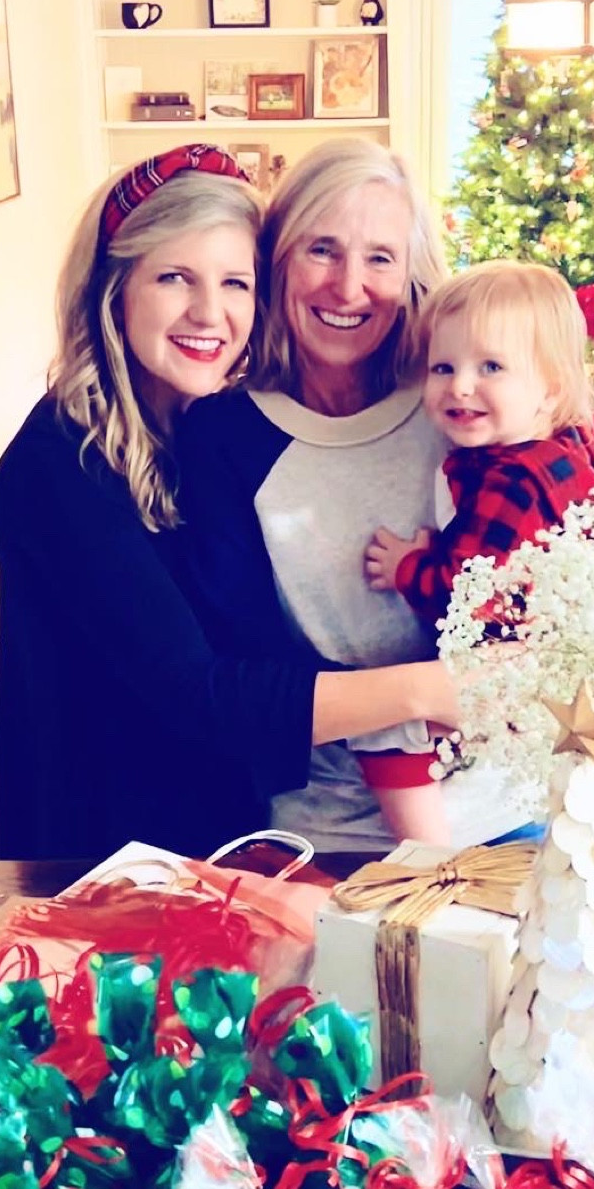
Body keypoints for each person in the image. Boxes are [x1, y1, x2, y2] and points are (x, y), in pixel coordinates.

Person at [0, 144, 458, 863]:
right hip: (108, 855)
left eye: (234, 282)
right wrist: (430, 690)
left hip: (228, 834)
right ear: (114, 288)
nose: (210, 313)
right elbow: (195, 692)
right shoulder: (61, 464)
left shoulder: (204, 425)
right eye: (175, 277)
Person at [175, 139, 453, 849]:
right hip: (325, 826)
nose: (349, 287)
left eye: (380, 258)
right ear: (275, 263)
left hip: (497, 795)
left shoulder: (454, 407)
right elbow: (242, 674)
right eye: (321, 250)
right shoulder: (220, 437)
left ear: (412, 272)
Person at [364, 261, 594, 744]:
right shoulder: (571, 439)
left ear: (549, 390)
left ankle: (425, 825)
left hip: (526, 679)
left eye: (491, 367)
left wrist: (407, 566)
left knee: (387, 738)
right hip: (580, 662)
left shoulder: (512, 481)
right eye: (442, 367)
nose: (460, 386)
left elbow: (463, 596)